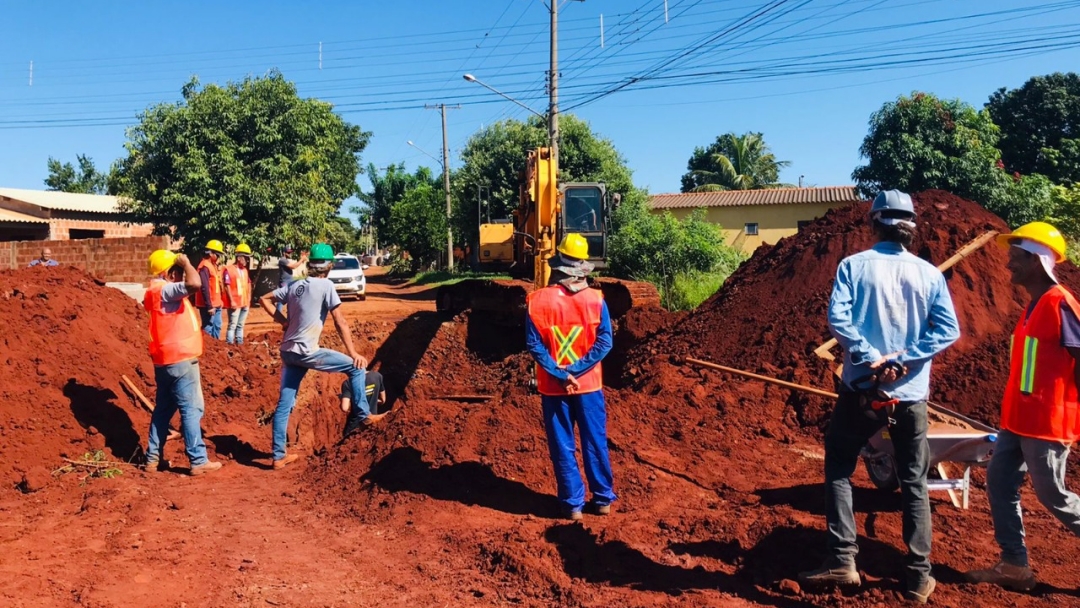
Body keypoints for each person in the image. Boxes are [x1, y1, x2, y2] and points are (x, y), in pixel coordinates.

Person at [798, 190, 960, 604]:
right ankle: (918, 576)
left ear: (873, 224)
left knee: (839, 466)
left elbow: (839, 319)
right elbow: (947, 331)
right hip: (910, 397)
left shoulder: (854, 266)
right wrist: (904, 360)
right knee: (914, 481)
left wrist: (872, 359)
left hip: (861, 390)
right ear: (911, 229)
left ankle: (842, 559)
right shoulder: (929, 275)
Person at [966, 222, 1080, 591]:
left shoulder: (1061, 303)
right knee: (999, 482)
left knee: (1055, 498)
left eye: (1015, 256)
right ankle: (1014, 566)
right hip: (1017, 421)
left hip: (1047, 424)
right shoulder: (1034, 305)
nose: (1007, 264)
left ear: (1036, 260)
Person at [258, 243, 383, 470]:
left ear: (311, 264)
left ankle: (278, 456)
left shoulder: (295, 285)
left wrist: (283, 322)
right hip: (307, 352)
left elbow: (264, 299)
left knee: (284, 405)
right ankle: (365, 415)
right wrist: (353, 353)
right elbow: (340, 321)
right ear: (330, 265)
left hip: (288, 351)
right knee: (355, 368)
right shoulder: (326, 285)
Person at [525, 233, 616, 521]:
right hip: (589, 386)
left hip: (554, 388)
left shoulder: (536, 301)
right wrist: (577, 370)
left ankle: (572, 505)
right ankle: (602, 500)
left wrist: (561, 373)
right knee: (594, 440)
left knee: (563, 444)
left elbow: (534, 345)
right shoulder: (596, 300)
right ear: (583, 266)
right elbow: (605, 342)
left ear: (558, 265)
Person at [142, 249, 223, 477]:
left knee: (163, 411)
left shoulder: (152, 292)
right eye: (178, 272)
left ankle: (152, 459)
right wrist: (187, 263)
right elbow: (195, 284)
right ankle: (198, 460)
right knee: (191, 409)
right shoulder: (167, 290)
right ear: (170, 273)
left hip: (163, 361)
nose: (181, 275)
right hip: (181, 359)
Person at [223, 243, 254, 345]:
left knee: (240, 325)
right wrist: (232, 301)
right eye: (245, 258)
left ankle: (240, 343)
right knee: (233, 325)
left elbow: (248, 283)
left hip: (244, 302)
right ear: (239, 257)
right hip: (235, 303)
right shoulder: (229, 270)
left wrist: (249, 298)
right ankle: (230, 343)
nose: (247, 260)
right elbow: (227, 286)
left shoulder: (245, 271)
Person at [340, 369, 386, 438]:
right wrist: (371, 399)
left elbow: (345, 408)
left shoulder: (348, 383)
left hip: (356, 425)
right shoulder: (377, 376)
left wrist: (342, 399)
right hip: (372, 422)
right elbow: (383, 400)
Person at [195, 240, 225, 340]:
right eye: (217, 254)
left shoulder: (213, 266)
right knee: (208, 328)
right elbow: (204, 287)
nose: (218, 257)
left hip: (216, 304)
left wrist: (219, 302)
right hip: (208, 305)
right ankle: (206, 350)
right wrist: (209, 306)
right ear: (211, 253)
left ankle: (216, 347)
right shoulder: (205, 267)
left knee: (217, 326)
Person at [276, 246, 308, 314]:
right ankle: (277, 314)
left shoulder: (286, 260)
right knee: (282, 298)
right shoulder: (283, 260)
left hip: (289, 281)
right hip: (284, 282)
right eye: (288, 252)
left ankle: (288, 313)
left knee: (290, 297)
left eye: (290, 252)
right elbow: (293, 266)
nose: (290, 254)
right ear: (284, 253)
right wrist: (302, 259)